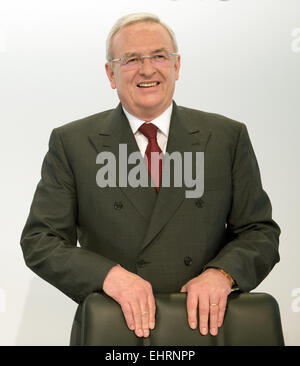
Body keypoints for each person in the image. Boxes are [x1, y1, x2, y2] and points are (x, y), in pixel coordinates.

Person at [20, 12, 280, 341]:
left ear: (177, 66)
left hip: (205, 328)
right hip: (113, 329)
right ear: (110, 73)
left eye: (159, 56)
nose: (147, 69)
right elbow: (40, 241)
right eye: (130, 59)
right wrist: (108, 276)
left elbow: (259, 232)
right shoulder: (72, 143)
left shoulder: (227, 138)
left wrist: (223, 273)